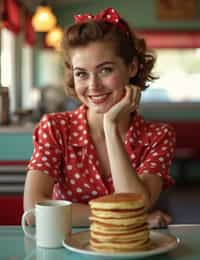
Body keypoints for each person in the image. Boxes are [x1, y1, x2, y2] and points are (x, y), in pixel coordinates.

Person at [24, 7, 175, 228]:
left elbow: (137, 206)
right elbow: (34, 208)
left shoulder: (158, 136)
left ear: (132, 67)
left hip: (130, 253)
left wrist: (111, 126)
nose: (93, 86)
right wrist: (120, 216)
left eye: (105, 70)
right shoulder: (55, 128)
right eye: (81, 74)